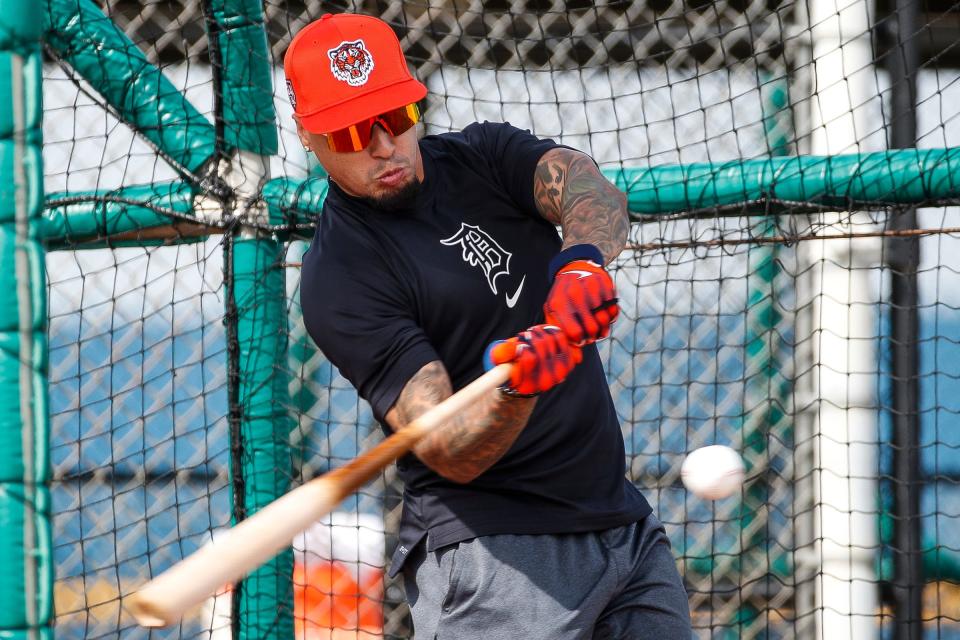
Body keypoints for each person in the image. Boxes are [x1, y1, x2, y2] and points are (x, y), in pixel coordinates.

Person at [286, 12, 691, 639]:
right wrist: (518, 387)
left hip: (621, 525)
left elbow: (586, 187)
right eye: (349, 132)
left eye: (394, 117)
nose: (382, 145)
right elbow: (449, 448)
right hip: (494, 551)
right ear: (308, 137)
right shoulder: (339, 276)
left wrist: (582, 264)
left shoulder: (481, 155)